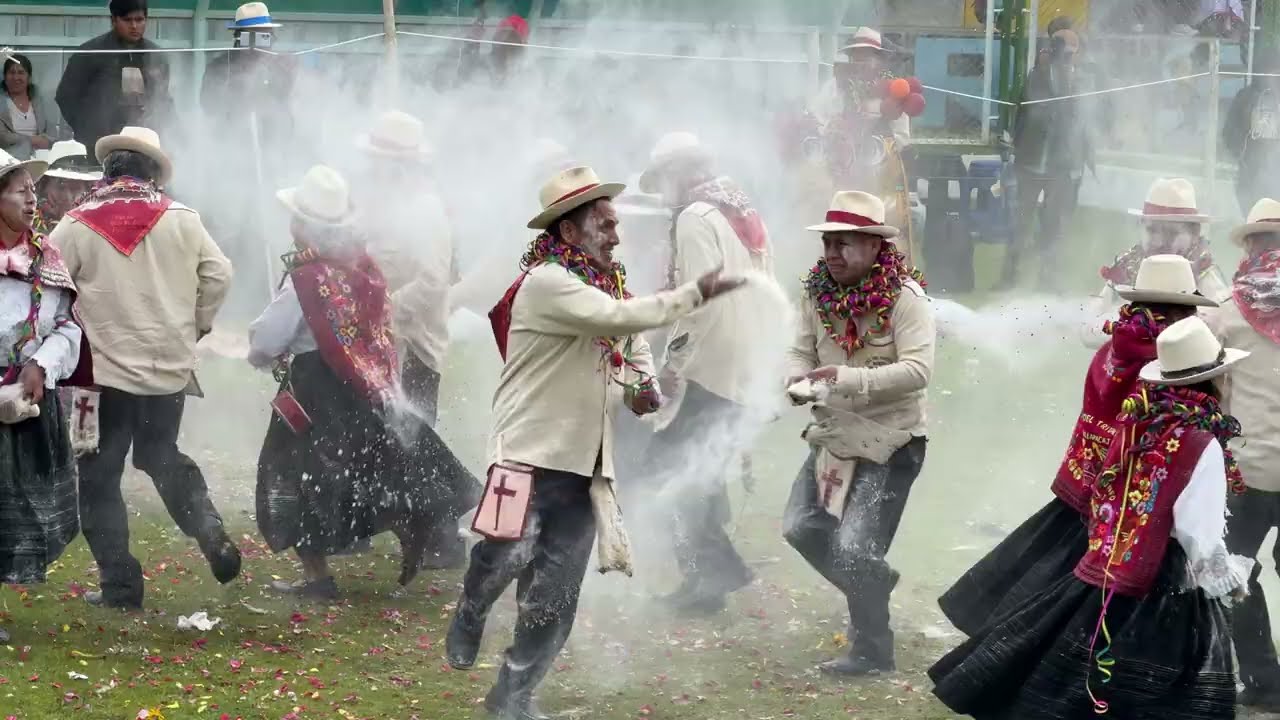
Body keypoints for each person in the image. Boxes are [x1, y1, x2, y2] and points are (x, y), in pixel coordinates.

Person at [445, 166, 744, 720]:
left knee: (555, 597)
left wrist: (644, 384)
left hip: (585, 463)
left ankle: (512, 696)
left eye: (614, 222)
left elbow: (630, 343)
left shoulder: (606, 283)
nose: (615, 234)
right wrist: (693, 293)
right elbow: (620, 317)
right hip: (526, 453)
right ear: (567, 233)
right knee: (505, 556)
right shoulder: (548, 283)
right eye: (603, 224)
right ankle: (471, 607)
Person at [930, 315, 1251, 719]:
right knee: (1166, 690)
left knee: (1087, 672)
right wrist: (1222, 577)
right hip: (1165, 579)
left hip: (1111, 565)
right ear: (1215, 382)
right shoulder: (1201, 443)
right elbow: (1195, 528)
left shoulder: (1137, 424)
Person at [938, 254, 1214, 637]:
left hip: (1089, 478)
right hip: (1129, 498)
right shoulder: (1168, 362)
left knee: (1056, 569)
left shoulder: (1115, 346)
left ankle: (1005, 631)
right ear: (1184, 310)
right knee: (1090, 590)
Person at [249, 164, 479, 599]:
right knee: (367, 467)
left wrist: (258, 353)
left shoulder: (307, 276)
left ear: (303, 223)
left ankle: (318, 578)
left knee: (296, 475)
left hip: (315, 385)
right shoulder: (364, 267)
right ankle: (407, 525)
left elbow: (267, 339)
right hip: (363, 385)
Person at [50, 126, 239, 609]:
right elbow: (220, 274)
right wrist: (196, 324)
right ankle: (208, 527)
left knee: (96, 475)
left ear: (109, 170)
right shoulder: (184, 219)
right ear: (152, 172)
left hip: (98, 377)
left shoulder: (76, 222)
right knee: (159, 454)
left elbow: (48, 279)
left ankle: (120, 584)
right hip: (167, 368)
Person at [783, 190, 934, 676]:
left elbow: (918, 370)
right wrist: (795, 377)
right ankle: (873, 581)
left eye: (844, 243)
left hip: (892, 442)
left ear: (874, 247)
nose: (832, 253)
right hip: (833, 435)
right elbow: (799, 351)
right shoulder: (814, 291)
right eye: (828, 243)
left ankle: (872, 650)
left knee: (852, 549)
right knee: (800, 528)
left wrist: (846, 379)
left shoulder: (907, 297)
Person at [633, 131, 774, 615]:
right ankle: (705, 578)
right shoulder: (739, 206)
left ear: (678, 173)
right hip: (743, 357)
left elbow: (697, 300)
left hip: (710, 362)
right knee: (701, 466)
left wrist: (673, 364)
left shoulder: (695, 217)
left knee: (666, 467)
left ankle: (713, 570)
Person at [354, 110, 464, 568]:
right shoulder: (388, 204)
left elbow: (433, 280)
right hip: (389, 344)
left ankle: (444, 540)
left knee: (413, 445)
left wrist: (385, 316)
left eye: (381, 160)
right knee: (386, 441)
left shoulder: (424, 209)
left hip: (412, 346)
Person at [0, 149, 91, 644]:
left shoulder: (46, 257)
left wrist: (40, 364)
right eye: (20, 191)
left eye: (33, 191)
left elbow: (65, 326)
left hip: (26, 396)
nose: (31, 200)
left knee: (21, 503)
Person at [1202, 198, 1280, 712]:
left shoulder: (1226, 315)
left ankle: (1265, 682)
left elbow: (1206, 391)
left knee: (1236, 578)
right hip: (1247, 471)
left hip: (1246, 472)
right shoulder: (1222, 314)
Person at [199, 2, 296, 314]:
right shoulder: (220, 67)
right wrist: (239, 97)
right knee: (227, 230)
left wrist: (280, 87)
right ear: (240, 37)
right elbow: (210, 109)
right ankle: (224, 299)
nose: (262, 42)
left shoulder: (278, 66)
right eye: (255, 35)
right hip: (230, 163)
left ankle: (262, 295)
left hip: (269, 162)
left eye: (266, 35)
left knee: (265, 228)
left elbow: (286, 115)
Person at [1082, 178, 1229, 347]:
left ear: (1194, 233)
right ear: (1141, 226)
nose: (1159, 242)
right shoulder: (1129, 266)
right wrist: (1131, 332)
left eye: (1171, 233)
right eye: (1152, 230)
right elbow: (1087, 330)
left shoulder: (1204, 275)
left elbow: (1220, 336)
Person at [1003, 28, 1094, 291]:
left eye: (1070, 52)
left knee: (1055, 223)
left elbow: (1081, 117)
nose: (1066, 58)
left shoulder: (1082, 81)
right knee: (1021, 220)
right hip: (1031, 162)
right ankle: (1011, 274)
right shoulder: (1037, 77)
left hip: (1062, 165)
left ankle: (1049, 277)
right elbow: (1032, 108)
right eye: (1061, 51)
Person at [55, 0, 175, 154]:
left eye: (139, 20)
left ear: (146, 19)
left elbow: (163, 98)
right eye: (127, 20)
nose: (134, 26)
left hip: (144, 142)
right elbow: (65, 96)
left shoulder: (157, 57)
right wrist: (89, 129)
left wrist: (168, 132)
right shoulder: (91, 53)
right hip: (99, 143)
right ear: (113, 20)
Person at [1224, 45, 1280, 215]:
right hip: (1250, 165)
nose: (1271, 76)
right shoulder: (1246, 97)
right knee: (1251, 212)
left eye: (1275, 71)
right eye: (1268, 70)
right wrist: (1240, 152)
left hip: (1275, 167)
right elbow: (1230, 131)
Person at [33, 140, 101, 235]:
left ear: (87, 189)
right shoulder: (26, 223)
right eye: (61, 185)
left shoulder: (95, 228)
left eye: (75, 188)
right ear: (44, 185)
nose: (67, 196)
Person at [1, 53, 60, 160]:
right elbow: (4, 138)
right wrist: (32, 140)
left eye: (21, 72)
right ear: (4, 77)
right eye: (11, 72)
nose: (16, 77)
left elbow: (52, 135)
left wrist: (46, 141)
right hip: (7, 160)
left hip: (39, 159)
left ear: (29, 77)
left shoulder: (40, 100)